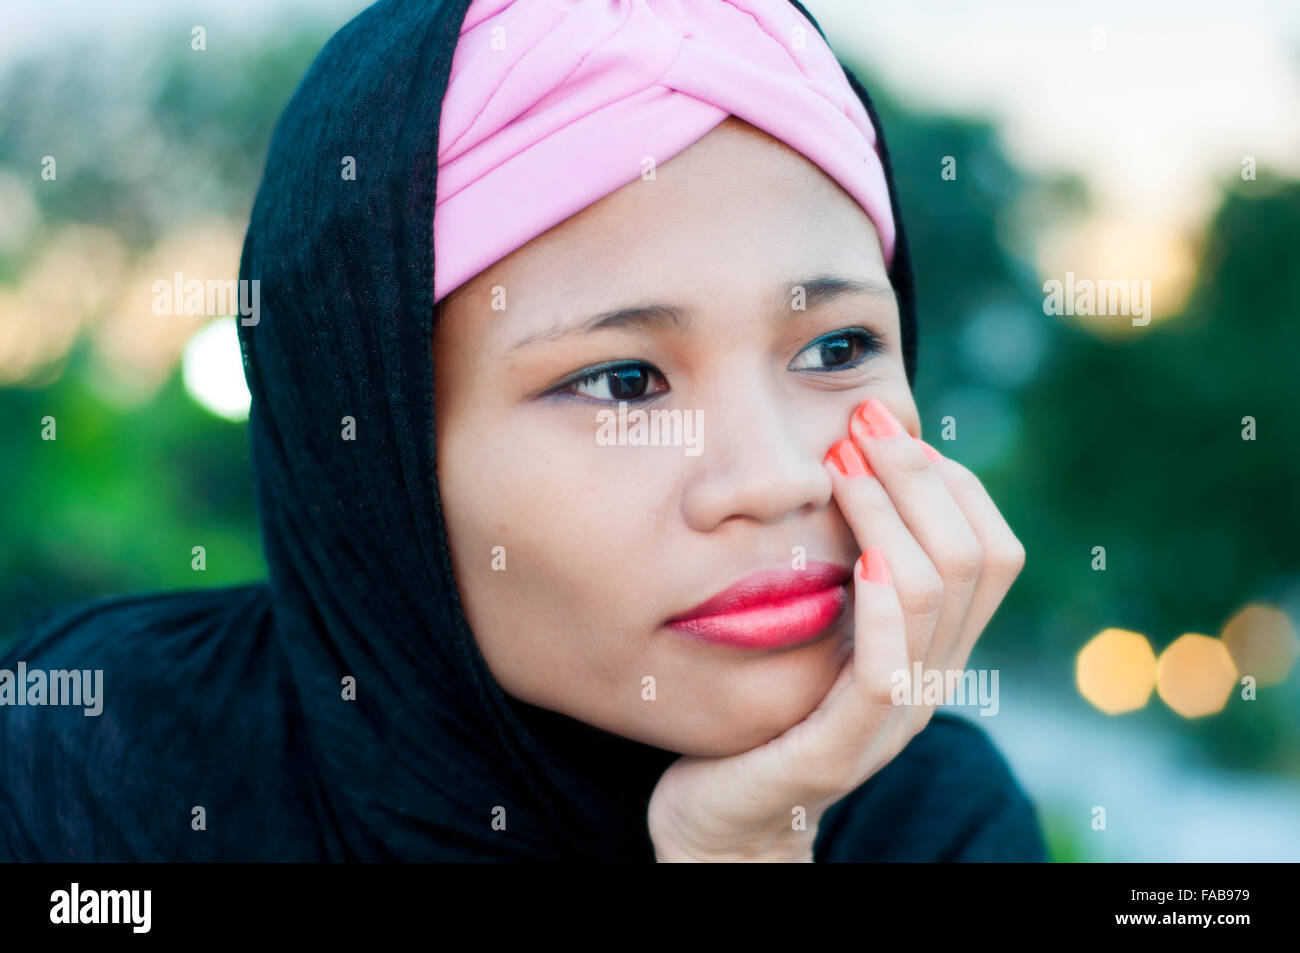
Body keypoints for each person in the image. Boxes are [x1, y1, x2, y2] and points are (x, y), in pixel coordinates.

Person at [0, 0, 1046, 862]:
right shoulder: (88, 769)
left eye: (834, 348)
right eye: (624, 380)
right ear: (375, 456)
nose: (776, 479)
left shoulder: (931, 822)